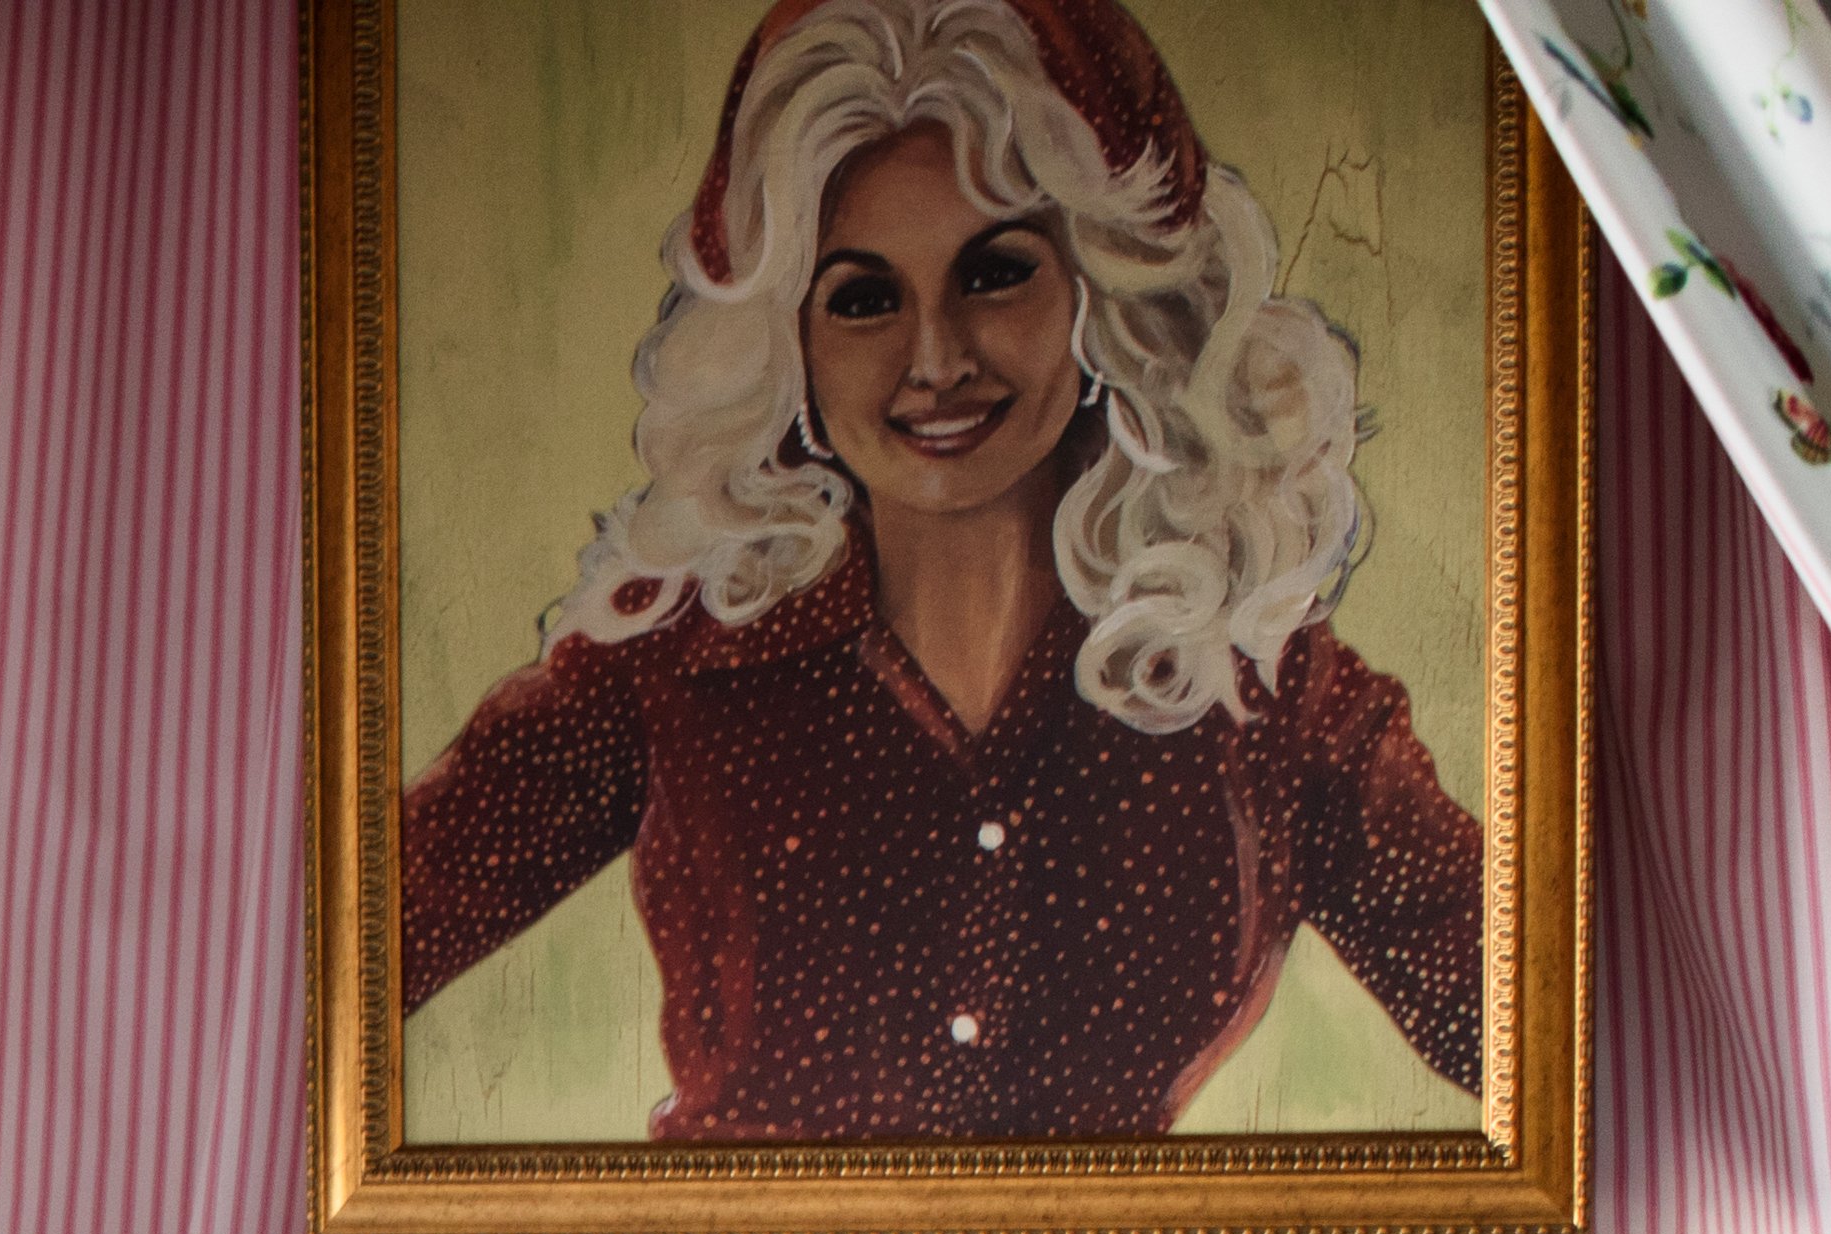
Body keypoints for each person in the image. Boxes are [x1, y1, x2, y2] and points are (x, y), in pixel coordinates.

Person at [398, 0, 1482, 1141]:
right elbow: (337, 951)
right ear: (788, 345)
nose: (935, 359)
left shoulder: (1263, 688)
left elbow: (1534, 1018)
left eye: (995, 274)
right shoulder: (672, 665)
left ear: (1104, 296)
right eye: (864, 299)